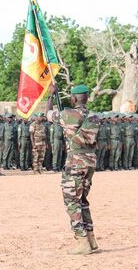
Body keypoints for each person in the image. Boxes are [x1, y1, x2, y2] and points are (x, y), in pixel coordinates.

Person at [47, 84, 100, 255]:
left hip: (75, 162)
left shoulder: (67, 114)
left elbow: (47, 114)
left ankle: (82, 241)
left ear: (74, 98)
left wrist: (51, 96)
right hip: (90, 161)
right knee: (82, 200)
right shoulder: (94, 117)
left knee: (72, 201)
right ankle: (91, 240)